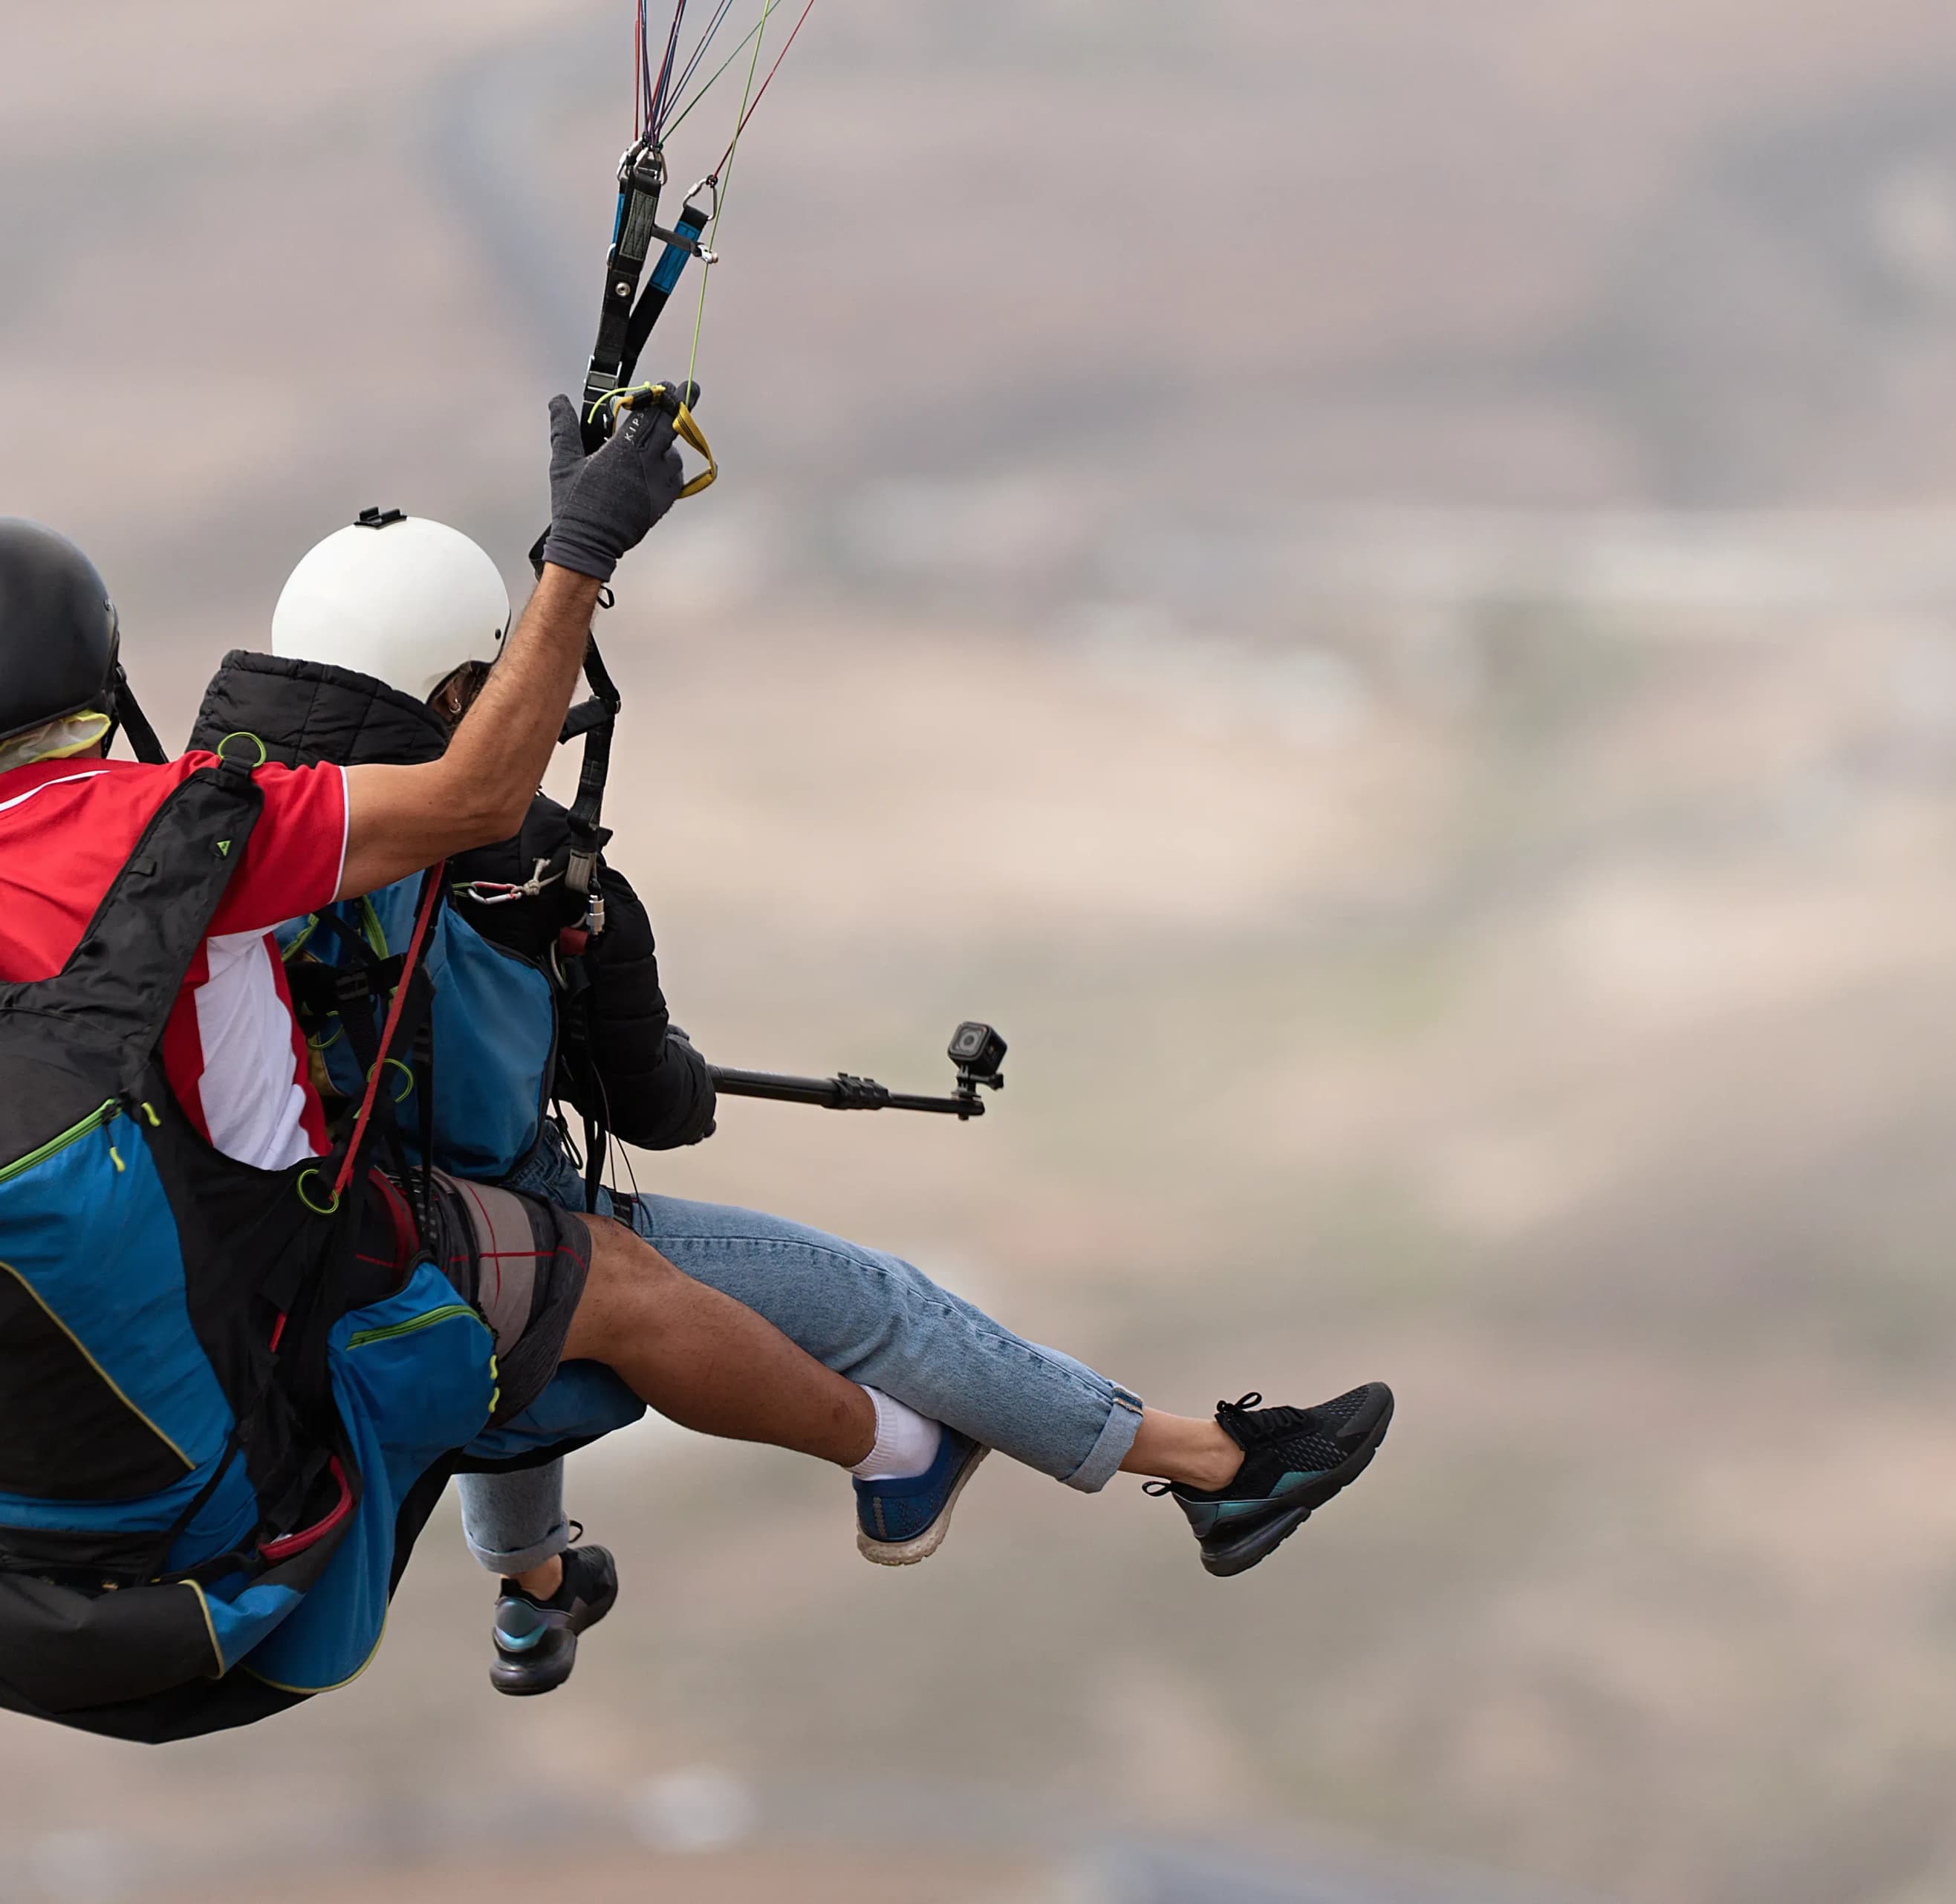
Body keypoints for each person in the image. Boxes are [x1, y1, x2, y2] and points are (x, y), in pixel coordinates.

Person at [0, 390, 987, 1738]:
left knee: (524, 1302)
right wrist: (583, 553)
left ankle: (536, 1582)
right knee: (606, 1281)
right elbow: (481, 797)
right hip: (295, 1272)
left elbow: (17, 833)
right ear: (98, 674)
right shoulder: (210, 832)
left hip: (126, 1298)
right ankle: (899, 1450)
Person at [181, 501, 1399, 1699]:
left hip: (299, 1258)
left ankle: (535, 1590)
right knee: (856, 1303)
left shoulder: (193, 827)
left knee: (520, 1271)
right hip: (469, 1254)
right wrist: (660, 1051)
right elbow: (655, 1109)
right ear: (460, 692)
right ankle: (1220, 1467)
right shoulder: (537, 870)